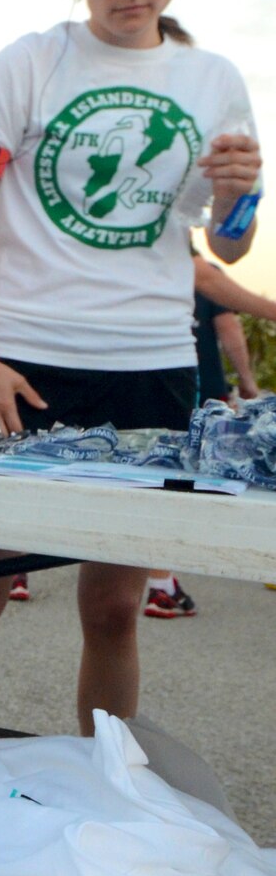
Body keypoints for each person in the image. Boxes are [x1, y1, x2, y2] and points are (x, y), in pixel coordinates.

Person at [0, 0, 262, 734]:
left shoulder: (213, 80)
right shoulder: (25, 65)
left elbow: (223, 246)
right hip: (22, 363)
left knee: (112, 608)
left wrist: (234, 197)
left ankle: (102, 792)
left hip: (146, 369)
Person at [144, 250, 276, 619]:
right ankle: (161, 582)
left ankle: (16, 570)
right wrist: (248, 382)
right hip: (199, 391)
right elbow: (230, 328)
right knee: (177, 487)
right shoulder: (203, 272)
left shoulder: (142, 264)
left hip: (148, 379)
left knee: (151, 478)